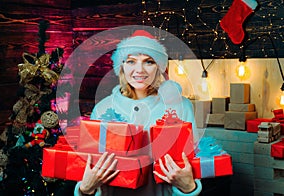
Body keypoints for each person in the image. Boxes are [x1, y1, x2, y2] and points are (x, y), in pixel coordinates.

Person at [74, 29, 202, 196]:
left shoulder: (181, 106)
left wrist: (188, 188)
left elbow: (193, 163)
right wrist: (85, 189)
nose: (139, 70)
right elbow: (91, 166)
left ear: (159, 67)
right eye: (131, 61)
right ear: (122, 66)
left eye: (149, 62)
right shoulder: (103, 108)